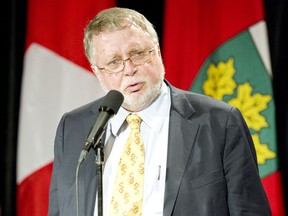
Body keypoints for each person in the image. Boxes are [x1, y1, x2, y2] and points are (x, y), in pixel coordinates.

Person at [48, 7, 271, 216]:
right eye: (114, 62)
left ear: (157, 52)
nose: (129, 69)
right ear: (97, 71)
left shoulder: (219, 123)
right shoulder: (73, 128)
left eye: (137, 54)